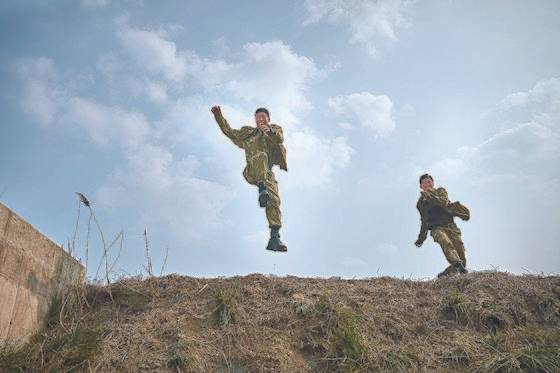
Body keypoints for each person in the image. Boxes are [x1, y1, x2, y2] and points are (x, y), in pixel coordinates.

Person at [211, 105, 288, 252]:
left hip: (267, 175)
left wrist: (270, 132)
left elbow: (279, 139)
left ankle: (274, 238)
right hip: (252, 171)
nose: (260, 120)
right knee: (261, 156)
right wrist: (218, 116)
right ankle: (261, 188)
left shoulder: (274, 130)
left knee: (274, 200)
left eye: (263, 117)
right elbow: (229, 132)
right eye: (257, 118)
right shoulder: (249, 134)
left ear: (268, 120)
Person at [414, 174, 469, 278]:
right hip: (437, 229)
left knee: (462, 260)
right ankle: (456, 263)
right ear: (421, 186)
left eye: (429, 182)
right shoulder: (421, 203)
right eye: (425, 183)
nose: (428, 184)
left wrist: (429, 196)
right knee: (445, 241)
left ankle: (445, 274)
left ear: (433, 183)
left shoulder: (440, 191)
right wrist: (421, 239)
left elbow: (443, 202)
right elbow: (424, 221)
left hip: (451, 227)